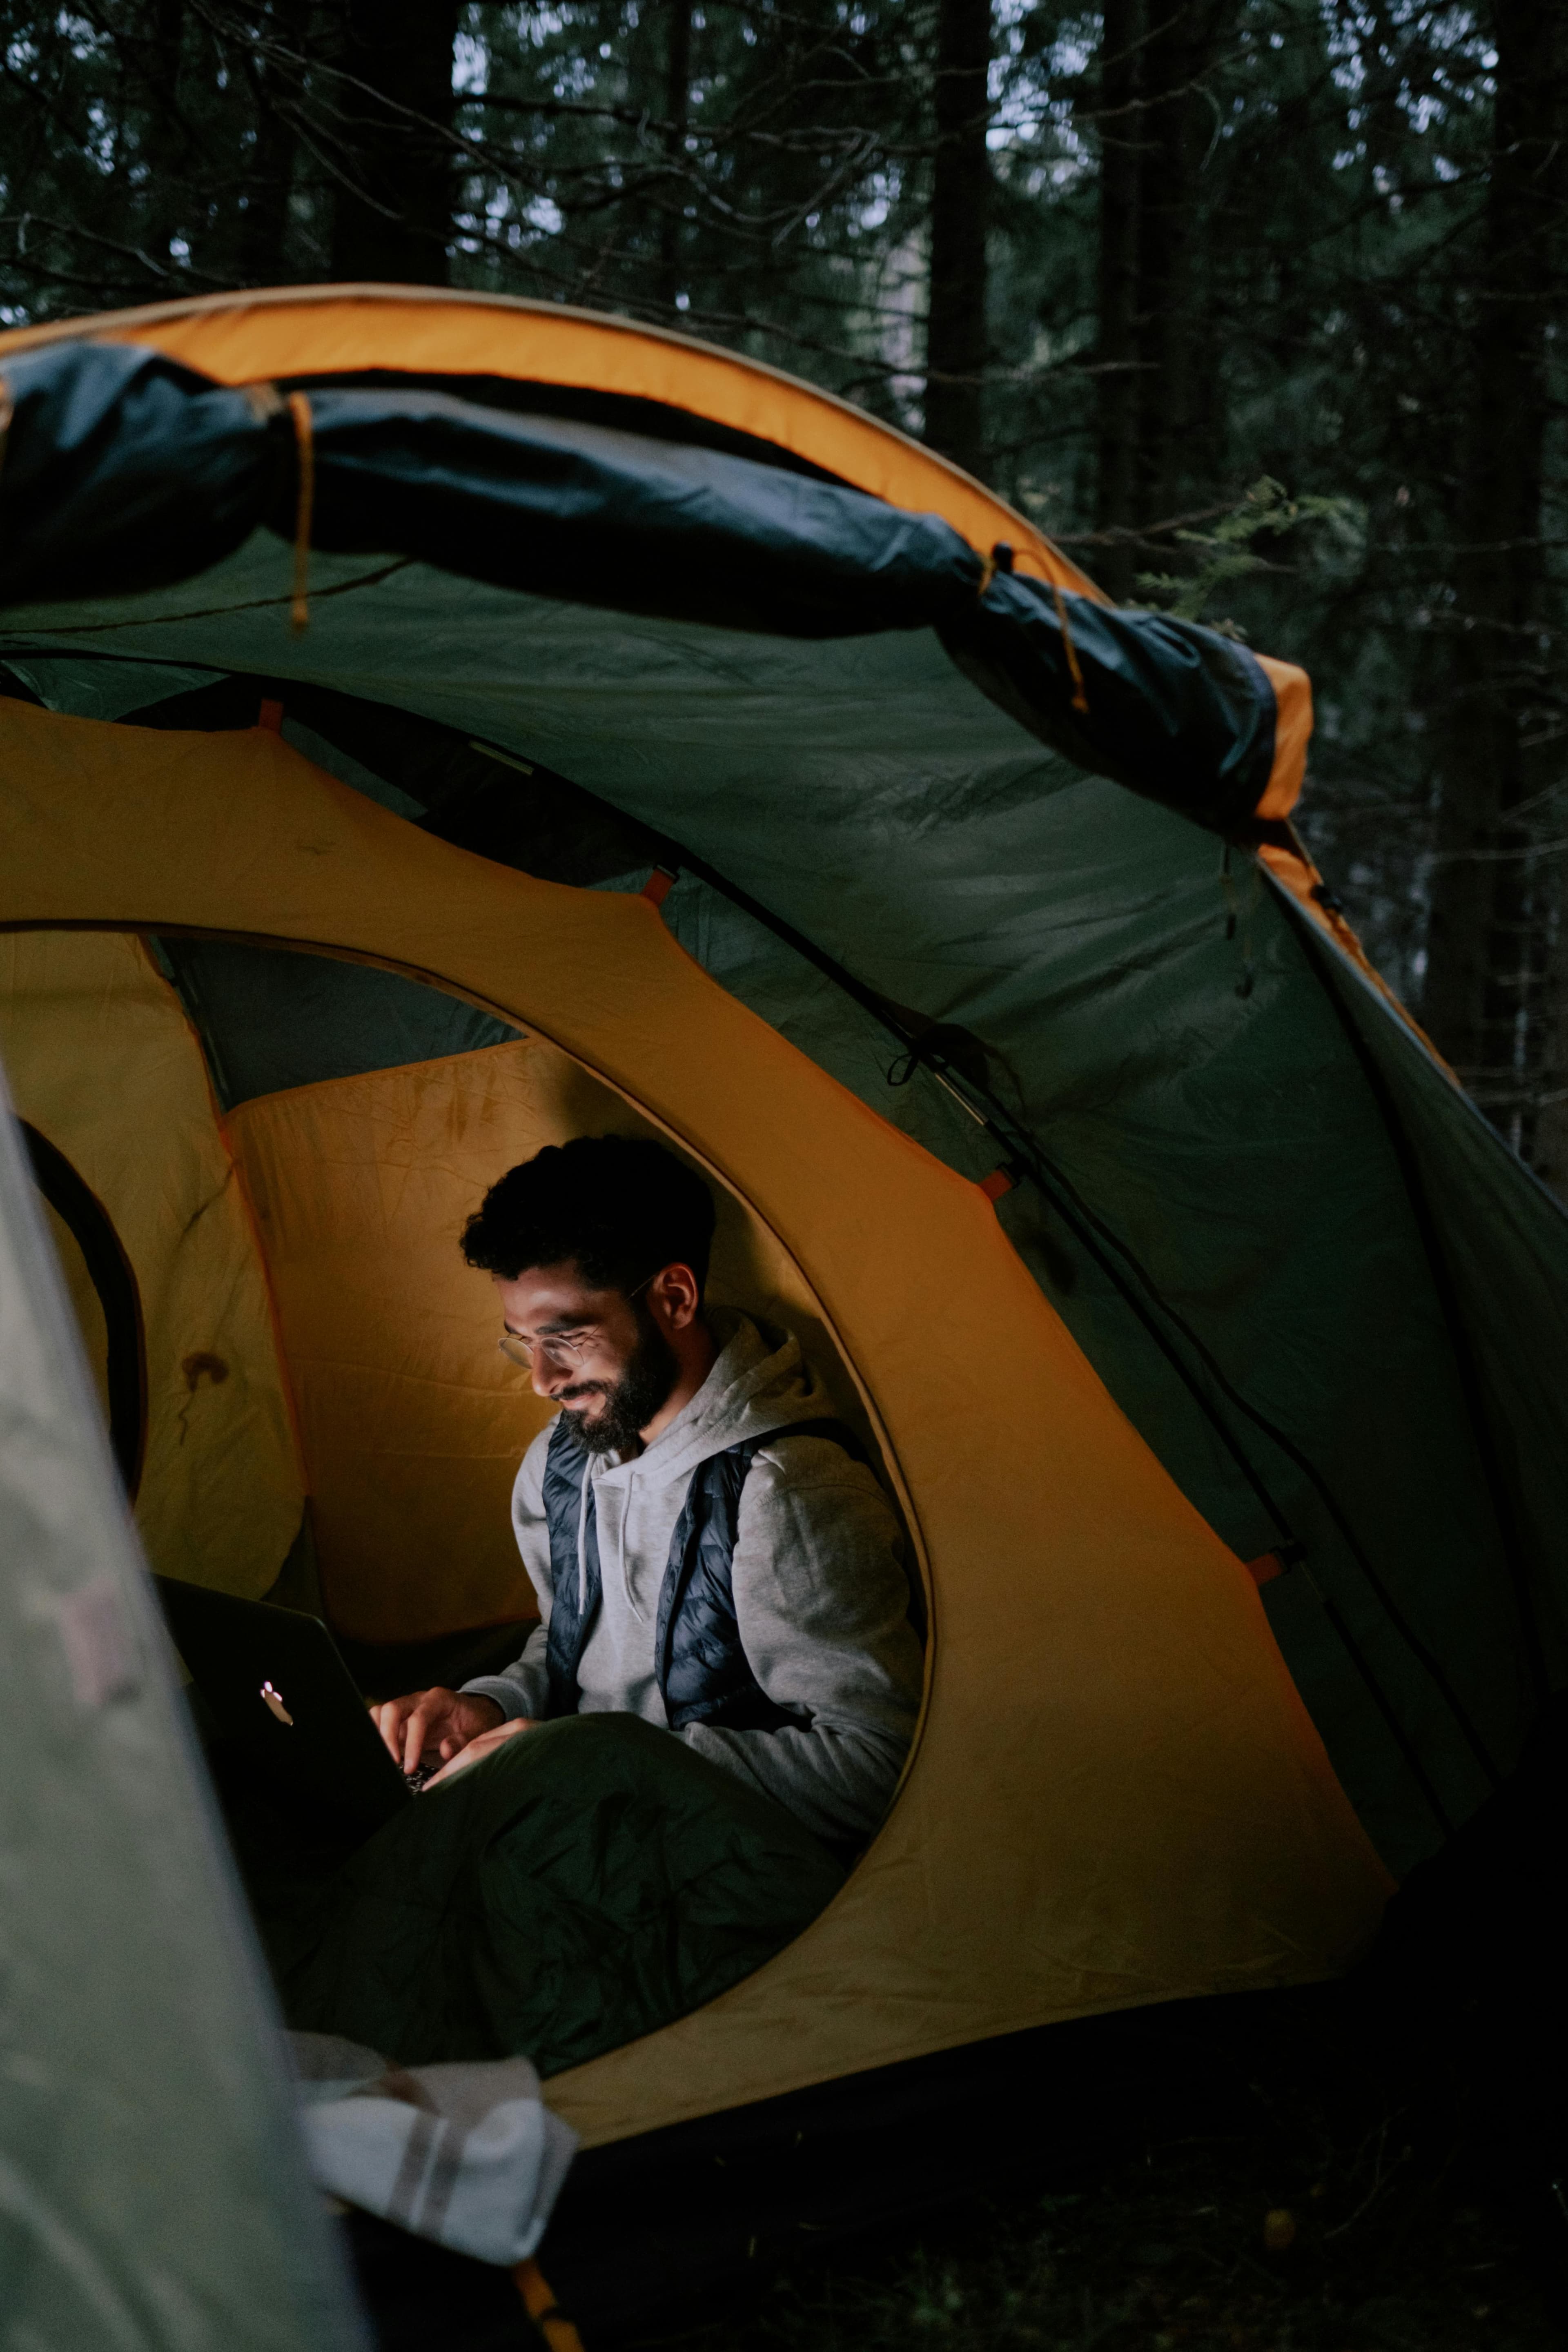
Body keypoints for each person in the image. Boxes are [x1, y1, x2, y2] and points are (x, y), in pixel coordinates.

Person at [372, 1132, 923, 1854]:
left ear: (673, 1297)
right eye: (521, 1341)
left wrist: (596, 1765)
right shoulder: (561, 1459)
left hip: (721, 1865)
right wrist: (489, 1706)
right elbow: (570, 1643)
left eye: (564, 1338)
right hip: (589, 1819)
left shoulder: (785, 1496)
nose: (541, 1379)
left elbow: (879, 1770)